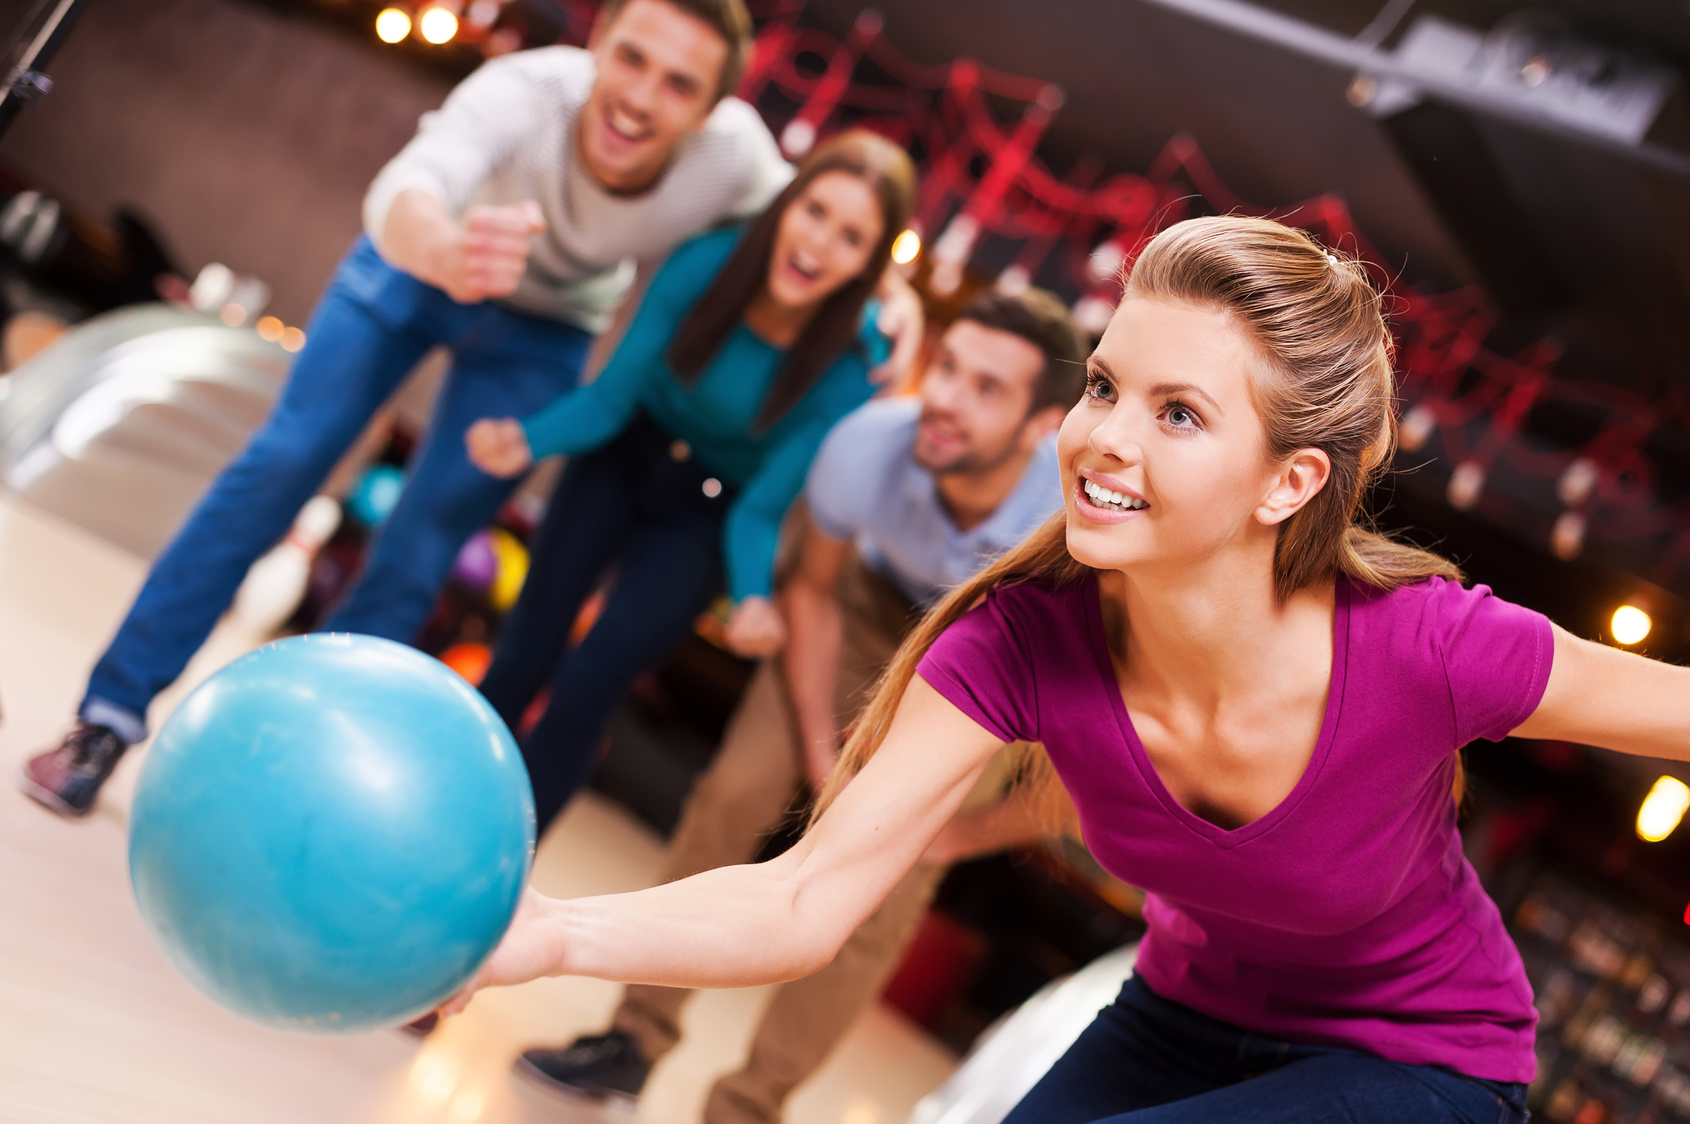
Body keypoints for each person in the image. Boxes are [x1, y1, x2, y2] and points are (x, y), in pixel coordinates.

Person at [442, 215, 1690, 1122]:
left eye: (1178, 413)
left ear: (1289, 481)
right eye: (1103, 386)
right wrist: (552, 931)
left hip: (1423, 1059)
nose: (1100, 435)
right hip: (1180, 1014)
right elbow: (799, 898)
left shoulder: (1425, 647)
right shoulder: (1020, 640)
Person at [22, 0, 918, 819]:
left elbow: (831, 215)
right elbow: (406, 189)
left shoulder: (736, 161)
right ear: (598, 44)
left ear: (710, 112)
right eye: (631, 58)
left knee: (417, 553)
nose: (642, 99)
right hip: (412, 267)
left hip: (546, 325)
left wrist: (895, 294)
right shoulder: (524, 90)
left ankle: (282, 783)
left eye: (679, 84)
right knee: (281, 467)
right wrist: (444, 248)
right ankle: (106, 716)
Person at [514, 288, 1087, 1124]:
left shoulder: (1072, 540)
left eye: (987, 389)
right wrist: (825, 754)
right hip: (864, 611)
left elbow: (1099, 757)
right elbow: (813, 590)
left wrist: (958, 834)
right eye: (949, 368)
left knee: (882, 893)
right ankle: (631, 1041)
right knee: (735, 794)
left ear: (1043, 426)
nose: (947, 401)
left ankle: (749, 1107)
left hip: (1003, 657)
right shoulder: (869, 445)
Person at [463, 129, 915, 838]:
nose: (820, 244)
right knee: (527, 645)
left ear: (868, 265)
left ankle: (502, 860)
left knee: (591, 684)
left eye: (852, 237)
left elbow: (763, 506)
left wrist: (752, 597)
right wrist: (527, 439)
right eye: (815, 211)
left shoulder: (857, 362)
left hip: (708, 514)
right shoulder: (707, 262)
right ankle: (442, 811)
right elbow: (611, 401)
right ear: (785, 205)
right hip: (622, 452)